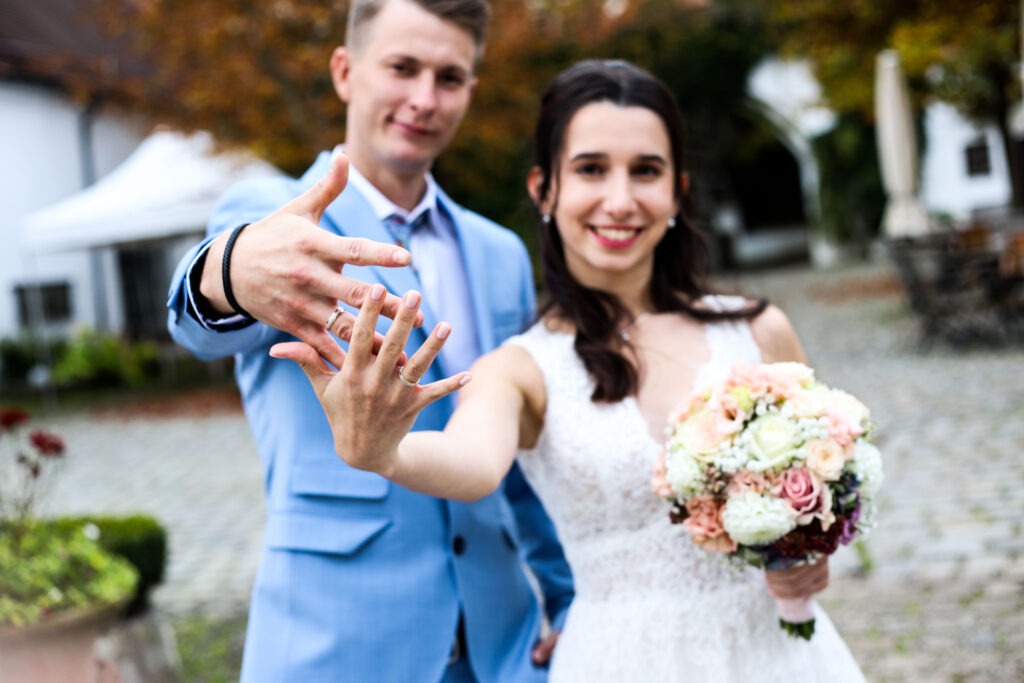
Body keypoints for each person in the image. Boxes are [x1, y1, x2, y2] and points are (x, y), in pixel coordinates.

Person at [274, 59, 868, 681]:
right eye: (590, 169)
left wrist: (806, 558)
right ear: (544, 189)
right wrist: (382, 453)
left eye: (646, 171)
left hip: (779, 656)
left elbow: (826, 490)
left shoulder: (758, 330)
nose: (620, 199)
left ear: (678, 191)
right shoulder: (522, 369)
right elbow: (471, 463)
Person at [166, 0, 573, 680]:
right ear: (346, 71)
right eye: (402, 67)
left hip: (503, 646)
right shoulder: (278, 222)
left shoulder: (500, 251)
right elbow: (197, 316)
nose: (424, 98)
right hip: (335, 641)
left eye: (449, 77)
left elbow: (519, 448)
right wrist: (230, 269)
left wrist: (567, 595)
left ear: (471, 89)